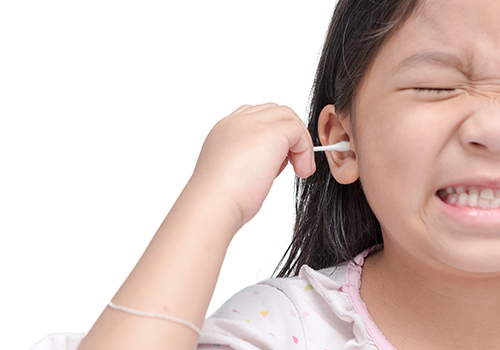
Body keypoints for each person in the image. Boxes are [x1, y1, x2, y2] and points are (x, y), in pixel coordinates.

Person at [32, 0, 500, 348]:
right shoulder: (283, 330)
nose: (489, 130)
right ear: (342, 144)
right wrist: (214, 199)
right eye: (435, 87)